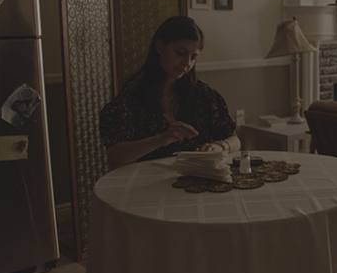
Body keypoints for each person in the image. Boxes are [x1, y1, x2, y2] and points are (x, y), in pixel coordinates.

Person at [99, 16, 240, 168]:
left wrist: (220, 146)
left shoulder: (203, 94)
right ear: (160, 47)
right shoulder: (132, 98)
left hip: (198, 182)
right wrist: (160, 139)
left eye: (193, 57)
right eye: (180, 53)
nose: (187, 63)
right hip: (150, 183)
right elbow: (115, 154)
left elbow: (235, 140)